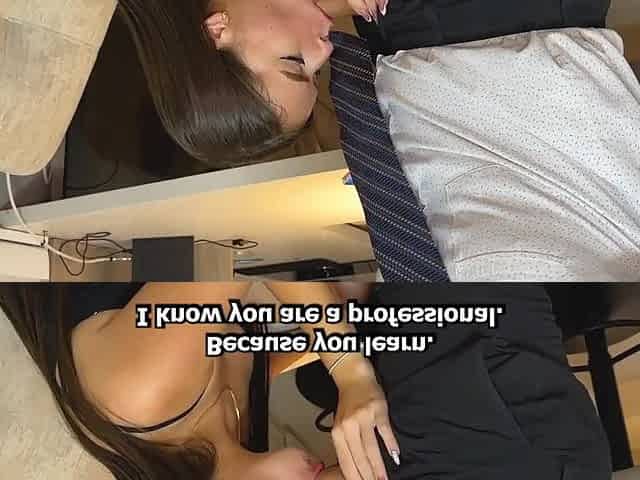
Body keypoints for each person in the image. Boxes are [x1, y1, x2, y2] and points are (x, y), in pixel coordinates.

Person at [1, 282, 612, 480]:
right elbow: (255, 331)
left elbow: (226, 232)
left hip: (112, 192)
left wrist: (350, 371)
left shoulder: (144, 398)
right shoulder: (238, 426)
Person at [0, 282, 395, 480]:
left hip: (91, 189)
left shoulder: (143, 396)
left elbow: (235, 229)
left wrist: (348, 369)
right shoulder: (236, 440)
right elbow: (260, 356)